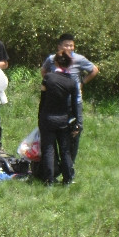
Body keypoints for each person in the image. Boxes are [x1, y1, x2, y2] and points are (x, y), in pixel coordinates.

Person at [41, 33, 98, 163]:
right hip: (56, 102)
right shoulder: (51, 59)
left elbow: (94, 70)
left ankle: (69, 162)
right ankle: (55, 162)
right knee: (55, 131)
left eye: (72, 45)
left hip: (75, 101)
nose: (70, 48)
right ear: (59, 46)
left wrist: (82, 83)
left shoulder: (79, 59)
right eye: (67, 45)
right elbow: (43, 71)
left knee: (76, 130)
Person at [38, 50, 81, 185]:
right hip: (63, 120)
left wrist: (40, 117)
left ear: (55, 62)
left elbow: (43, 99)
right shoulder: (72, 83)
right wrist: (77, 123)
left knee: (49, 149)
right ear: (70, 64)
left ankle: (49, 180)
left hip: (47, 118)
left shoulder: (48, 78)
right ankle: (67, 179)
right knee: (65, 149)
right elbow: (75, 105)